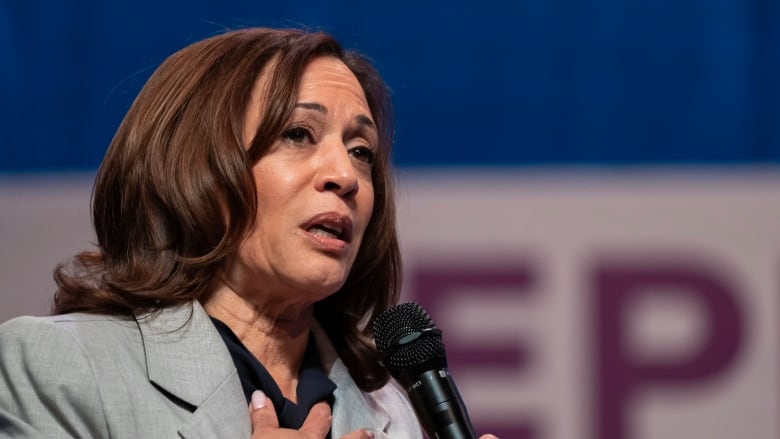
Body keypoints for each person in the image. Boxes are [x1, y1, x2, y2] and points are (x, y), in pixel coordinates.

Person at [0, 27, 498, 439]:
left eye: (361, 151)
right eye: (297, 134)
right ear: (196, 168)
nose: (345, 177)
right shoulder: (62, 368)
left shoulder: (398, 412)